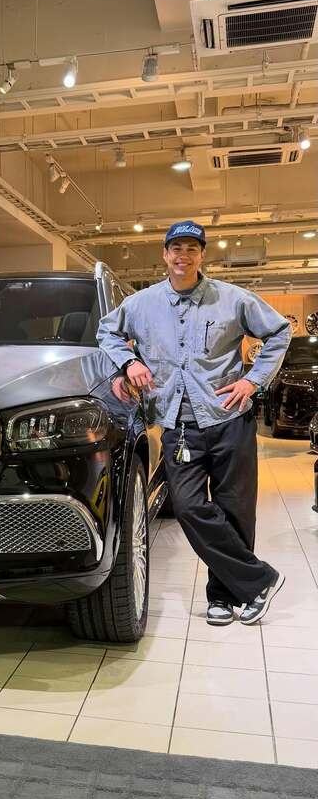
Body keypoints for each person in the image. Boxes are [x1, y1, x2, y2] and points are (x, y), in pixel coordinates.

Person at [97, 221, 292, 626]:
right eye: (176, 248)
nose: (183, 256)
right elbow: (106, 332)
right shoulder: (142, 304)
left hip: (228, 418)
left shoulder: (233, 299)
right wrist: (129, 363)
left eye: (191, 248)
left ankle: (222, 597)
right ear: (165, 255)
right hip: (177, 425)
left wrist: (253, 380)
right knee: (188, 507)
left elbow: (279, 331)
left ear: (202, 254)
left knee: (235, 510)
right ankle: (259, 580)